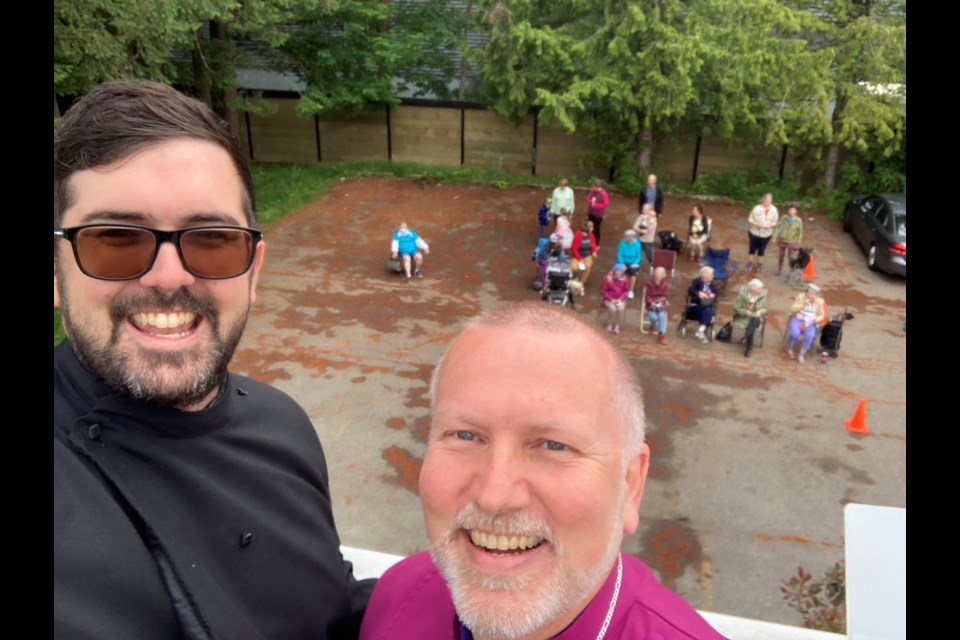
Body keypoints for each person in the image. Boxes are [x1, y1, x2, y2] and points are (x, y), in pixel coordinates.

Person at [53, 80, 373, 639]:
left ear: (254, 271)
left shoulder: (283, 424)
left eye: (212, 240)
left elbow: (328, 608)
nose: (170, 276)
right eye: (115, 239)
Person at [359, 303, 727, 640]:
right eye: (465, 435)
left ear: (630, 484)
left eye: (553, 445)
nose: (494, 495)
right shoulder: (400, 593)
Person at [787, 283, 827, 364]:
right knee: (795, 333)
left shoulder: (820, 301)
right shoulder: (800, 296)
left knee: (810, 336)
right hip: (798, 319)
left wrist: (818, 319)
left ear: (816, 295)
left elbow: (822, 314)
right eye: (809, 293)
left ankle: (801, 355)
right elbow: (792, 308)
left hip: (810, 322)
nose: (810, 295)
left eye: (813, 294)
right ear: (806, 292)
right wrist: (803, 304)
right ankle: (790, 348)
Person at [732, 278, 768, 358]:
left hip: (757, 318)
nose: (762, 290)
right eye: (760, 288)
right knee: (751, 327)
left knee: (755, 319)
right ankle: (748, 347)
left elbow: (766, 309)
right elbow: (736, 307)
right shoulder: (743, 296)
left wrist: (760, 311)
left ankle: (746, 337)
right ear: (754, 289)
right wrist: (745, 312)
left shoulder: (762, 297)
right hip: (744, 318)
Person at [745, 193, 778, 273]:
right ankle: (749, 263)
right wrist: (757, 224)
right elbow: (750, 219)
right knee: (752, 248)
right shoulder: (756, 208)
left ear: (771, 201)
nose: (767, 201)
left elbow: (775, 222)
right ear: (763, 200)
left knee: (762, 249)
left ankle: (760, 264)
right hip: (754, 232)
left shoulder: (774, 210)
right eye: (766, 200)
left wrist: (770, 226)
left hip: (767, 234)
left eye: (769, 200)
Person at [687, 266, 718, 344]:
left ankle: (701, 330)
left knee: (708, 310)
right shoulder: (697, 282)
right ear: (706, 275)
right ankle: (701, 332)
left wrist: (713, 294)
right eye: (712, 274)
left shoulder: (711, 284)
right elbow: (690, 290)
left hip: (706, 307)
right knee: (708, 311)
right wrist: (698, 293)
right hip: (696, 306)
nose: (713, 276)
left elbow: (716, 292)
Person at [772, 204, 803, 276]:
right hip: (783, 239)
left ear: (796, 211)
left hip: (792, 241)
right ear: (788, 211)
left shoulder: (798, 220)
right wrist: (774, 237)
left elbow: (800, 232)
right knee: (781, 255)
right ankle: (780, 268)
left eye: (793, 210)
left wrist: (798, 242)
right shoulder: (784, 218)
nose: (791, 211)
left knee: (790, 256)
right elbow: (778, 227)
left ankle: (791, 271)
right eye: (790, 210)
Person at [600, 263, 631, 334]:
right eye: (617, 271)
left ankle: (618, 325)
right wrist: (611, 299)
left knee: (621, 309)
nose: (618, 272)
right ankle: (609, 324)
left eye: (620, 271)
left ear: (622, 272)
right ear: (614, 271)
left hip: (620, 299)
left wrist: (620, 299)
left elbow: (626, 290)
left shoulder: (625, 279)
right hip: (609, 298)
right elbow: (603, 291)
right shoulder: (608, 278)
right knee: (613, 309)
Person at [644, 265, 670, 345]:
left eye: (660, 274)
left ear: (663, 275)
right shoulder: (649, 283)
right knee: (654, 318)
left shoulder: (665, 284)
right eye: (657, 273)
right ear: (654, 274)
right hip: (651, 304)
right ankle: (652, 325)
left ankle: (661, 335)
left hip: (661, 304)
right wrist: (651, 303)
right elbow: (647, 295)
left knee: (661, 316)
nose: (658, 276)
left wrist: (660, 303)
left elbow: (665, 296)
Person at [571, 219, 599, 289]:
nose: (592, 229)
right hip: (578, 255)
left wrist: (594, 251)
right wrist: (579, 259)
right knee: (574, 268)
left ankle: (581, 282)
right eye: (591, 227)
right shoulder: (578, 235)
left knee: (588, 267)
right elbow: (574, 248)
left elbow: (593, 244)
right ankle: (575, 277)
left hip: (587, 255)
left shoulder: (591, 235)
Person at [616, 229, 643, 299]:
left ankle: (631, 290)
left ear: (631, 237)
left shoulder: (637, 244)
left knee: (633, 274)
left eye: (626, 237)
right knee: (618, 271)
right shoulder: (622, 242)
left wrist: (634, 264)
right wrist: (622, 263)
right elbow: (619, 254)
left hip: (633, 263)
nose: (625, 238)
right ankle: (619, 288)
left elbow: (638, 257)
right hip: (623, 262)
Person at [586, 178, 610, 245]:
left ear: (598, 186)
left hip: (598, 215)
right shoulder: (592, 191)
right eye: (593, 186)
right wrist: (591, 202)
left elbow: (606, 204)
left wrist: (596, 205)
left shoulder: (603, 193)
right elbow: (587, 199)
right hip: (591, 213)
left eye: (594, 186)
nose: (593, 188)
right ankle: (590, 240)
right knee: (590, 227)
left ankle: (596, 243)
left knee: (596, 229)